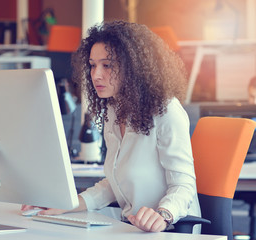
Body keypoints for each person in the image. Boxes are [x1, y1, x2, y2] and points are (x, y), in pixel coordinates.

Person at [22, 20, 201, 233]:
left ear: (134, 67)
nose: (96, 74)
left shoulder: (166, 111)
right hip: (132, 228)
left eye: (107, 65)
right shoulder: (114, 110)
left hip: (172, 229)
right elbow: (113, 184)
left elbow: (184, 185)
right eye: (92, 65)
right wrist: (68, 204)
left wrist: (163, 214)